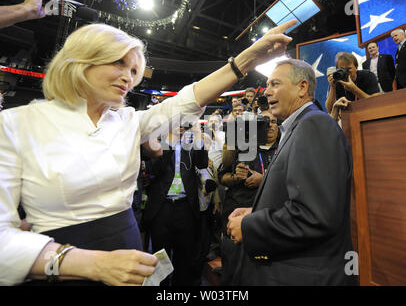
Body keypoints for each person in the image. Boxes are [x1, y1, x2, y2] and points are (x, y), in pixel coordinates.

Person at [0, 19, 298, 286]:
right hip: (60, 264)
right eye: (118, 63)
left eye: (133, 70)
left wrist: (249, 57)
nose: (128, 77)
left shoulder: (129, 121)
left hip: (129, 258)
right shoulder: (16, 124)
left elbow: (187, 100)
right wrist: (92, 264)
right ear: (80, 60)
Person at [227, 59, 355, 285]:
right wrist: (255, 211)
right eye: (267, 85)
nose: (267, 92)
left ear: (302, 87)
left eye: (275, 84)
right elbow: (296, 196)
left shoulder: (315, 126)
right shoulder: (298, 127)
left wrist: (249, 227)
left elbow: (314, 216)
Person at [218, 109, 279, 284]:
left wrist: (264, 180)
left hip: (268, 221)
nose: (269, 125)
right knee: (233, 275)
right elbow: (222, 177)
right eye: (264, 121)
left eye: (273, 122)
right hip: (237, 217)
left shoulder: (285, 147)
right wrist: (235, 177)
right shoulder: (244, 145)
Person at [142, 126, 208, 286]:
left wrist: (198, 136)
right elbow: (155, 169)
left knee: (185, 259)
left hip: (186, 208)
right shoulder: (157, 140)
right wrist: (170, 142)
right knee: (160, 258)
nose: (180, 126)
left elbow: (202, 163)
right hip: (161, 208)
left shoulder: (192, 141)